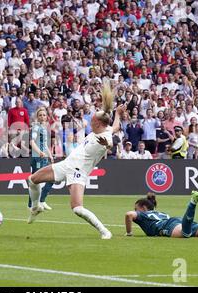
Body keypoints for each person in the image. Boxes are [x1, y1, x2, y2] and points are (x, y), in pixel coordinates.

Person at [27, 83, 125, 239]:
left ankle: (104, 231)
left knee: (77, 208)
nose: (89, 121)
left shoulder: (104, 136)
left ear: (98, 123)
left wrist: (107, 145)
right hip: (66, 164)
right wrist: (118, 114)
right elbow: (115, 126)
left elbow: (110, 143)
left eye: (92, 120)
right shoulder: (105, 128)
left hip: (78, 172)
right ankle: (35, 207)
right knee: (32, 180)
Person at [28, 107, 54, 210]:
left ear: (46, 116)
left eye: (44, 115)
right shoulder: (36, 127)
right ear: (37, 117)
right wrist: (39, 152)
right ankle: (31, 205)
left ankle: (42, 201)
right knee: (35, 182)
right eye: (40, 115)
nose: (42, 117)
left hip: (44, 157)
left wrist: (50, 155)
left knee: (52, 179)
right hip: (37, 158)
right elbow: (32, 142)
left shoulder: (44, 128)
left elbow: (44, 144)